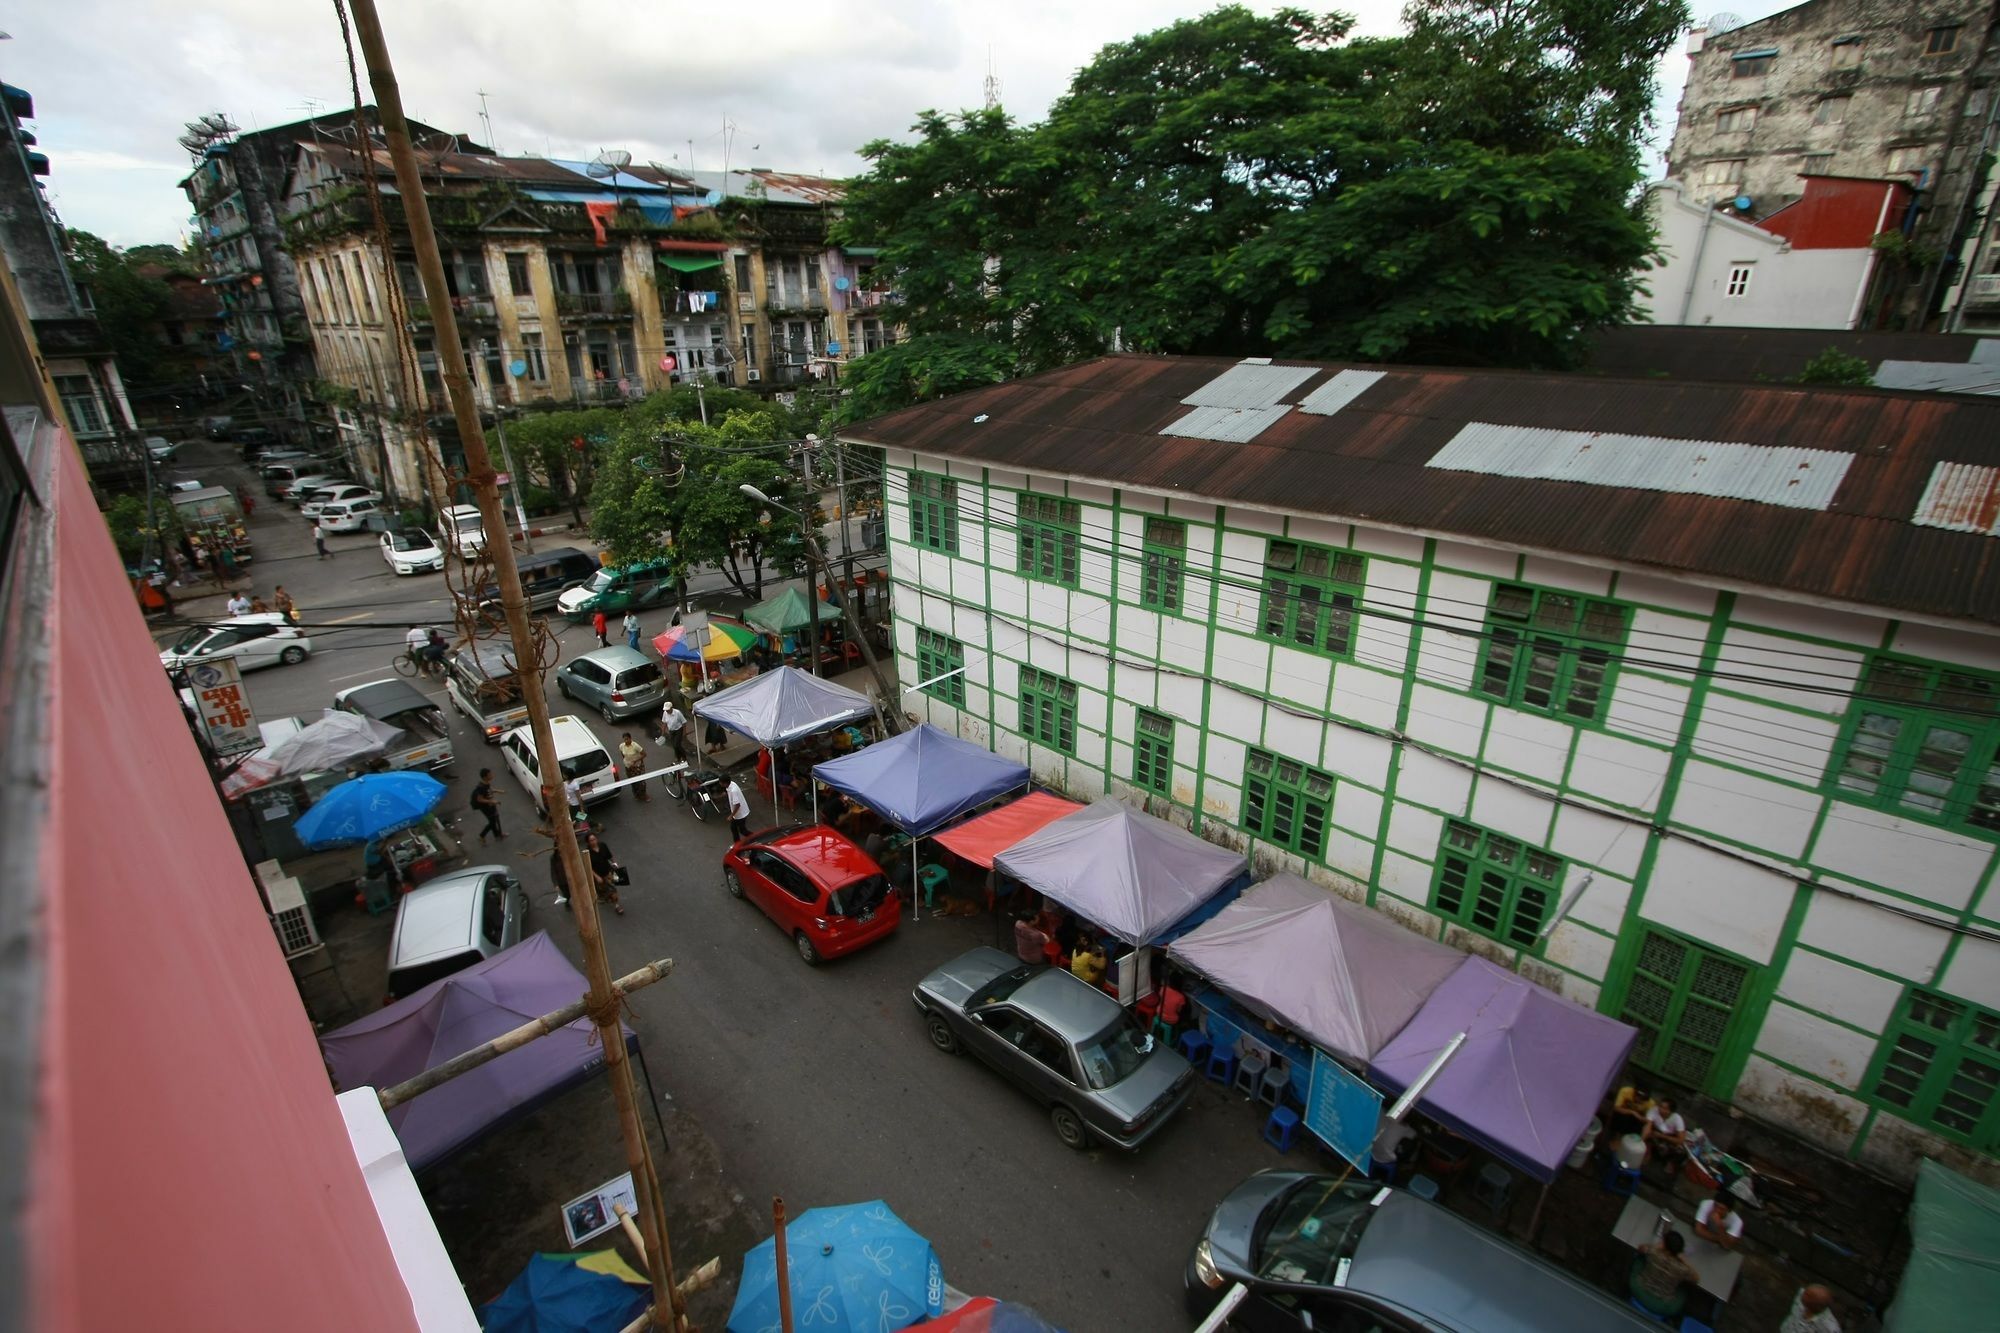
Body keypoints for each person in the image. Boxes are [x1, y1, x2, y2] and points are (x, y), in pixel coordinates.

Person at [1629, 1228, 1698, 1319]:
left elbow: (1641, 1248)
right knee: (1685, 1287)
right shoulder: (1682, 1269)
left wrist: (1656, 1246)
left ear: (1664, 1245)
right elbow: (1696, 1278)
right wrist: (1684, 1260)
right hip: (1663, 1304)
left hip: (1640, 1288)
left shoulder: (1653, 1253)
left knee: (1640, 1259)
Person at [585, 831, 624, 915]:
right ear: (588, 842)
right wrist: (596, 877)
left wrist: (614, 863)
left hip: (608, 872)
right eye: (591, 840)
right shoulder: (587, 853)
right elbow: (589, 867)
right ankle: (604, 897)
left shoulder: (602, 845)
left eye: (594, 839)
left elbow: (609, 856)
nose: (593, 842)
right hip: (598, 875)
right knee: (605, 890)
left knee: (613, 889)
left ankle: (617, 905)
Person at [1645, 1096, 1689, 1163]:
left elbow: (1680, 1140)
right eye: (1660, 1106)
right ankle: (1648, 1153)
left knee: (1680, 1151)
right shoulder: (1654, 1110)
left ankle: (1671, 1162)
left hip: (1669, 1137)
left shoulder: (1677, 1119)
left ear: (1670, 1111)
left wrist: (1662, 1136)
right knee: (1649, 1135)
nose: (1660, 1109)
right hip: (1657, 1133)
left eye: (1664, 1108)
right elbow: (1648, 1125)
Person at [471, 768, 505, 844]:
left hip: (491, 805)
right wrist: (492, 801)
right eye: (490, 774)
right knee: (492, 822)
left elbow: (489, 790)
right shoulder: (481, 787)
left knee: (495, 819)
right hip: (486, 807)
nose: (492, 775)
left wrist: (498, 791)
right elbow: (479, 799)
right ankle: (482, 836)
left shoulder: (486, 783)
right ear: (485, 777)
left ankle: (498, 835)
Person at [619, 731, 649, 803]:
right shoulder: (621, 746)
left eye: (627, 739)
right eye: (624, 739)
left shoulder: (635, 746)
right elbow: (622, 754)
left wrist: (635, 761)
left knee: (641, 781)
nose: (626, 741)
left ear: (630, 738)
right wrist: (627, 761)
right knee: (633, 781)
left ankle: (644, 795)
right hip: (629, 767)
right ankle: (636, 795)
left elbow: (644, 754)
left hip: (638, 766)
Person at [725, 775, 751, 841]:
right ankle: (737, 842)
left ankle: (755, 838)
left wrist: (731, 815)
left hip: (740, 814)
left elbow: (737, 805)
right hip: (740, 813)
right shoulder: (732, 784)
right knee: (734, 828)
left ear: (724, 783)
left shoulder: (733, 791)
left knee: (742, 830)